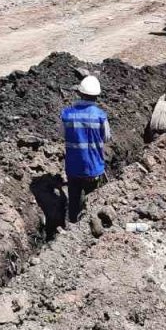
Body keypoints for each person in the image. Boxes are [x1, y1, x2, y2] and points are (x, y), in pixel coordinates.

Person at [61, 75, 111, 223]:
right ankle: (89, 226)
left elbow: (62, 134)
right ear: (96, 96)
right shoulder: (100, 116)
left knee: (74, 200)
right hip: (94, 168)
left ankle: (71, 225)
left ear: (80, 93)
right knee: (92, 202)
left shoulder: (67, 114)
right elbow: (107, 137)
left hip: (73, 168)